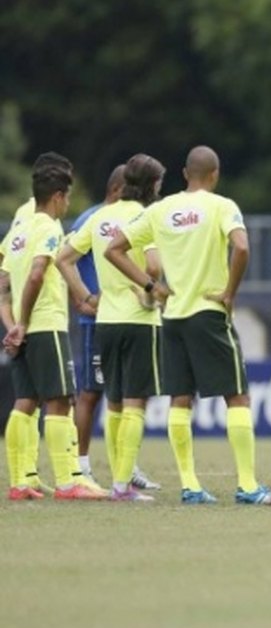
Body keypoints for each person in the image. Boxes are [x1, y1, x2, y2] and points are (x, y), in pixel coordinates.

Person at [105, 145, 271, 505]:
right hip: (208, 313)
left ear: (184, 173)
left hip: (173, 315)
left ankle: (190, 485)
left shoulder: (161, 209)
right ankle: (247, 485)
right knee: (237, 396)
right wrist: (229, 292)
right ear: (215, 174)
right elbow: (241, 247)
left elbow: (113, 249)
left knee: (181, 399)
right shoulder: (222, 206)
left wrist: (153, 287)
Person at [57, 154, 166, 501]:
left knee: (115, 401)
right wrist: (152, 285)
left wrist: (86, 297)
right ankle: (122, 484)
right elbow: (152, 264)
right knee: (135, 402)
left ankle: (119, 480)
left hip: (105, 320)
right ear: (150, 185)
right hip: (139, 318)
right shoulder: (145, 216)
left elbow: (63, 259)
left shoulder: (100, 216)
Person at [2, 162, 104, 500]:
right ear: (58, 196)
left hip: (23, 327)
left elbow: (3, 283)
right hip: (44, 324)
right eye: (67, 198)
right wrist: (26, 322)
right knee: (60, 400)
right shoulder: (48, 228)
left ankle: (20, 482)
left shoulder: (18, 230)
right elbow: (36, 274)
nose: (67, 205)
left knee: (25, 401)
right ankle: (67, 481)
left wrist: (13, 325)